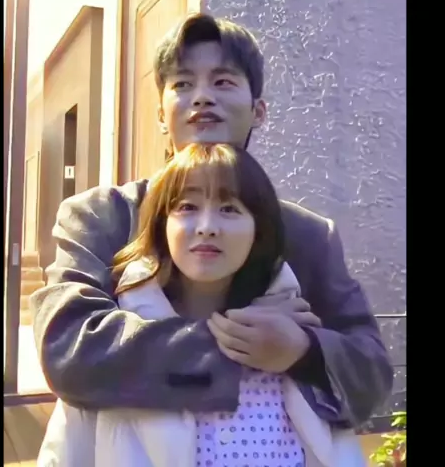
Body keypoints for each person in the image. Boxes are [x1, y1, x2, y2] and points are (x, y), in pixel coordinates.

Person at [30, 13, 392, 432]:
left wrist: (302, 349)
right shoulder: (101, 217)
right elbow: (69, 349)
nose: (202, 97)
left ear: (258, 111)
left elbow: (371, 372)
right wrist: (238, 346)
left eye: (222, 82)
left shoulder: (308, 236)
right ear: (161, 115)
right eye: (183, 84)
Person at [38, 143, 366, 467]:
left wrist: (300, 351)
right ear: (161, 225)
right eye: (187, 207)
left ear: (259, 231)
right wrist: (234, 339)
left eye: (229, 209)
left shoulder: (293, 344)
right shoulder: (104, 360)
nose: (207, 227)